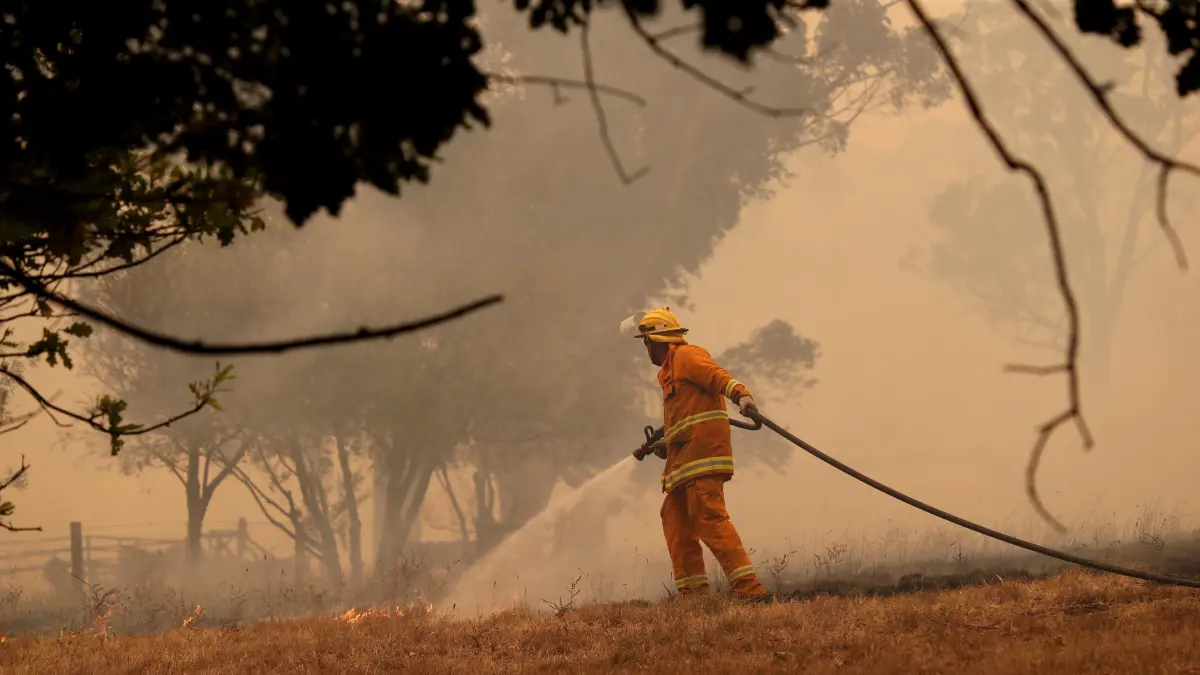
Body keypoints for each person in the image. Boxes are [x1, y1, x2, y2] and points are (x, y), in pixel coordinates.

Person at [627, 307, 773, 603]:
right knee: (674, 519)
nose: (646, 350)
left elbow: (718, 376)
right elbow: (685, 419)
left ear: (655, 340)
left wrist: (741, 396)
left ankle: (749, 590)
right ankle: (693, 596)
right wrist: (666, 444)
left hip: (703, 458)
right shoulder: (669, 372)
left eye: (646, 343)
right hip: (683, 463)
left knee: (709, 518)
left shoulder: (687, 356)